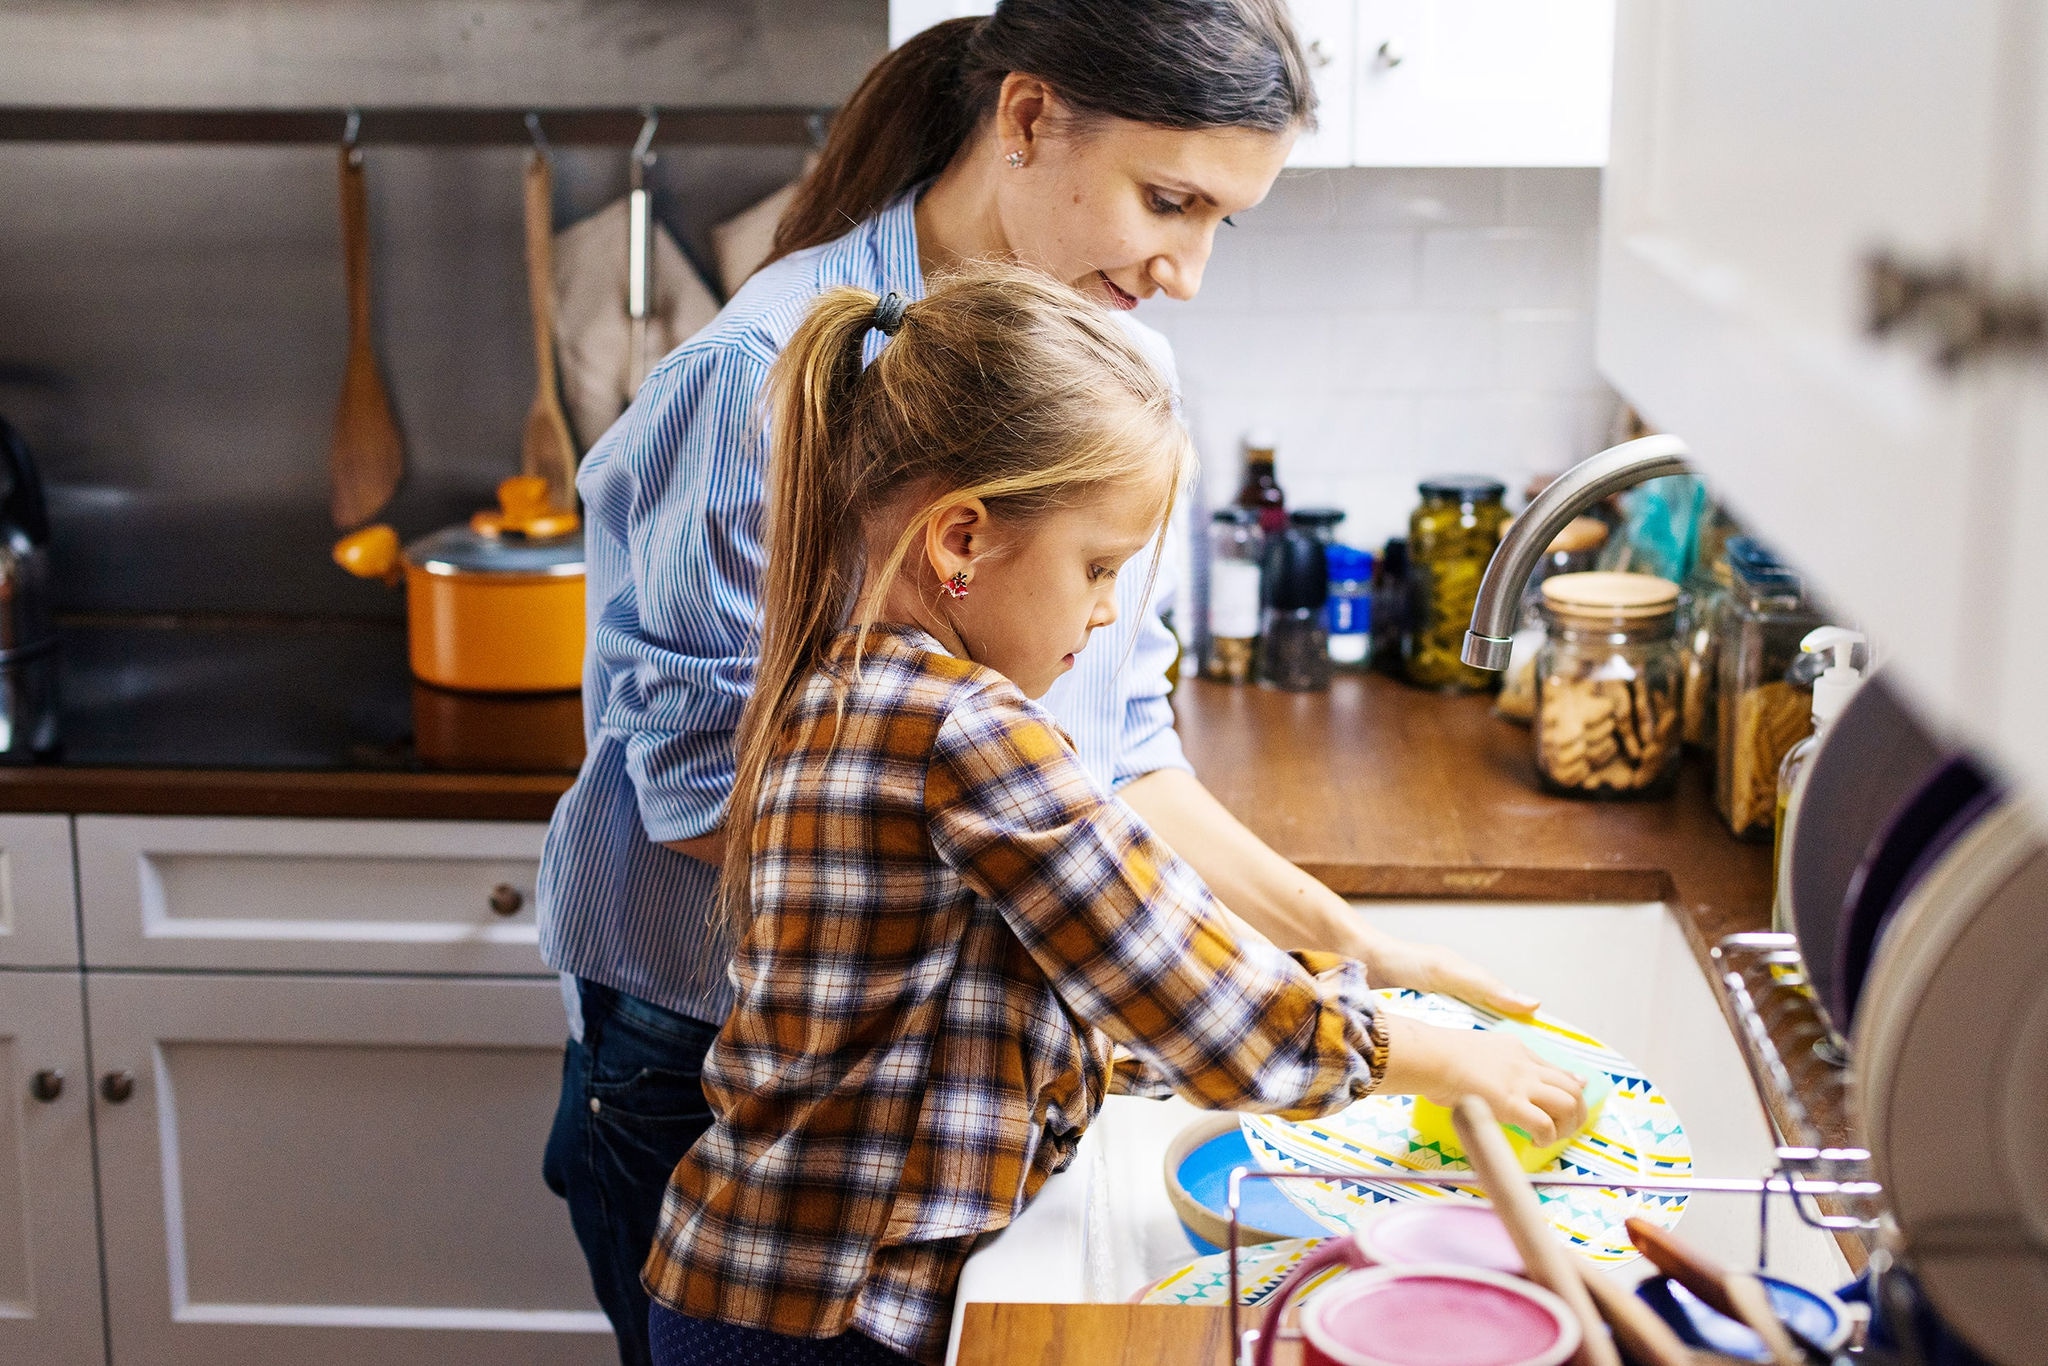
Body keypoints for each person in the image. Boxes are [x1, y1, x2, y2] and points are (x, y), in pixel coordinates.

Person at [538, 3, 1541, 1360]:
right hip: (717, 1076)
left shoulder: (1115, 379)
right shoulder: (755, 379)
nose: (1185, 267)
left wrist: (1339, 939)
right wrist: (1137, 966)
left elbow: (1120, 752)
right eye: (1168, 199)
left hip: (930, 1094)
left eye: (1220, 223)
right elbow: (716, 802)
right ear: (1024, 119)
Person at [639, 268, 1587, 1366]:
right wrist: (1437, 1058)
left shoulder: (844, 682)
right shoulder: (961, 728)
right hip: (823, 1319)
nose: (1102, 611)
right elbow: (1185, 986)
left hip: (757, 1288)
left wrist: (1330, 1010)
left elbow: (1020, 1018)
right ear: (960, 542)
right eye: (1097, 567)